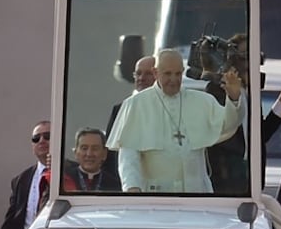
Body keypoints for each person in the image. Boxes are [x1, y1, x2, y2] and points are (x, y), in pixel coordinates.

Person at [105, 49, 246, 193]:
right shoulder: (136, 104)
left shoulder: (202, 101)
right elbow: (128, 154)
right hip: (155, 196)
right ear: (155, 73)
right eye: (167, 74)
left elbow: (228, 125)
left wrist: (234, 98)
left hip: (197, 193)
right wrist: (132, 187)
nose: (173, 79)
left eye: (178, 74)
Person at [62, 127, 121, 193]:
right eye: (84, 148)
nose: (89, 154)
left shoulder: (115, 185)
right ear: (76, 153)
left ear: (104, 153)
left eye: (95, 149)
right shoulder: (64, 179)